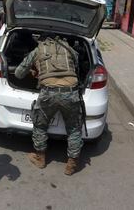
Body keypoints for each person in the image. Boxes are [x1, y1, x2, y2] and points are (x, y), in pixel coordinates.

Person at [14, 35, 83, 175]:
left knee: (40, 125)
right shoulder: (70, 50)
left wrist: (36, 71)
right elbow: (79, 67)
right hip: (71, 93)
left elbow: (18, 74)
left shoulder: (37, 50)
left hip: (48, 93)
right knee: (74, 129)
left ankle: (40, 159)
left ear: (42, 40)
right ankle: (71, 164)